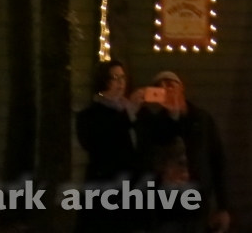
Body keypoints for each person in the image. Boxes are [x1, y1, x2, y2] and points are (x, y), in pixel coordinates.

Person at [138, 71, 229, 233]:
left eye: (170, 85)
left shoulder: (201, 119)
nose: (166, 90)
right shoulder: (155, 124)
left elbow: (218, 161)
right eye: (160, 89)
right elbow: (148, 163)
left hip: (198, 206)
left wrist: (223, 206)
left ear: (182, 88)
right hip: (166, 208)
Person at [75, 60, 143, 233]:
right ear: (103, 81)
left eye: (122, 77)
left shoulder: (134, 112)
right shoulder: (89, 116)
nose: (121, 82)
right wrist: (128, 116)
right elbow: (100, 142)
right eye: (114, 77)